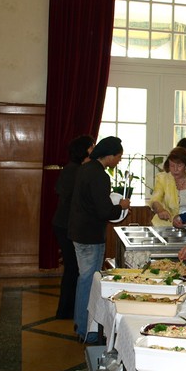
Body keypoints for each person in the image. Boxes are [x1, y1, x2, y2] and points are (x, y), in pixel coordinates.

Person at [68, 136, 131, 343]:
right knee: (89, 281)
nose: (119, 160)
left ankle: (81, 325)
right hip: (90, 235)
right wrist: (121, 206)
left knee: (84, 279)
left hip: (79, 232)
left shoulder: (85, 168)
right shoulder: (100, 175)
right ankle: (86, 329)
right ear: (110, 155)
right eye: (118, 156)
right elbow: (104, 211)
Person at [52, 135, 94, 319]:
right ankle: (66, 310)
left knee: (73, 268)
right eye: (92, 146)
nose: (94, 149)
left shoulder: (74, 168)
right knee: (72, 268)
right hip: (67, 225)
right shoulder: (76, 170)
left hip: (65, 224)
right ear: (84, 150)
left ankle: (67, 309)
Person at [150, 147, 186, 227]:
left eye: (179, 166)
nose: (175, 169)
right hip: (166, 225)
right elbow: (155, 200)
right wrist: (160, 210)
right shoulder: (162, 178)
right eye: (172, 165)